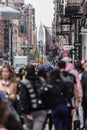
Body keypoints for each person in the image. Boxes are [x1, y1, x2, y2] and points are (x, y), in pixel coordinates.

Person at [20, 65, 47, 130]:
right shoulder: (41, 80)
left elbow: (23, 98)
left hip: (29, 111)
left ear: (26, 72)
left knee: (29, 128)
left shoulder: (24, 83)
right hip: (41, 109)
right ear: (35, 71)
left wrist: (26, 111)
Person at [58, 61, 77, 130]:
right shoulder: (72, 76)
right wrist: (76, 102)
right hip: (69, 102)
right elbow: (75, 90)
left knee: (59, 122)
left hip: (58, 103)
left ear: (58, 67)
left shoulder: (56, 76)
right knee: (69, 121)